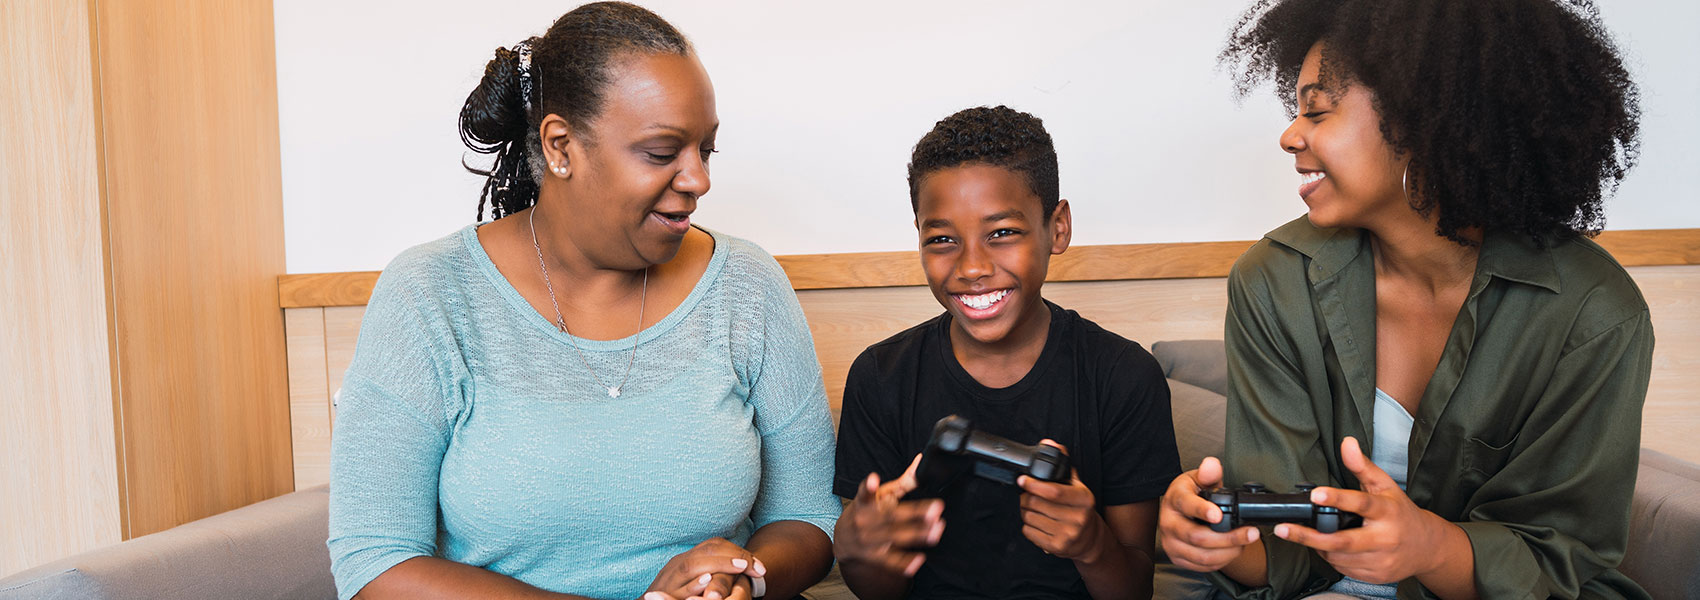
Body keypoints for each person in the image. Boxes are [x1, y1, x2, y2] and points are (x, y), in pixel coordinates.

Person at [325, 4, 838, 600]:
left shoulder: (747, 284)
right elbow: (374, 563)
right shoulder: (430, 294)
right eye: (661, 151)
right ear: (562, 146)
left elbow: (809, 518)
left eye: (706, 150)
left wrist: (739, 580)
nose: (698, 179)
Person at [1157, 0, 1653, 598]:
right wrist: (1218, 542)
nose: (1290, 136)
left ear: (1422, 120)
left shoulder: (1592, 315)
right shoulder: (1274, 281)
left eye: (1317, 111)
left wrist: (1427, 545)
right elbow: (1285, 556)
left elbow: (1562, 561)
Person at [832, 105, 1182, 600]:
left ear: (1057, 228)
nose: (972, 267)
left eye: (1002, 233)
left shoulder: (1123, 376)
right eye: (942, 239)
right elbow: (877, 589)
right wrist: (856, 551)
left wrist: (1091, 545)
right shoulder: (881, 375)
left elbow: (1134, 588)